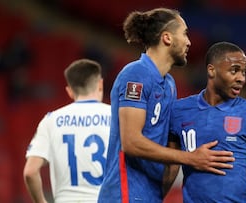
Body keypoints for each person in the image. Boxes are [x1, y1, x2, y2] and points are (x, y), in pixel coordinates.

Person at [98, 8, 234, 203]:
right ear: (167, 38)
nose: (189, 42)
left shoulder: (169, 84)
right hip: (124, 194)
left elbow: (169, 139)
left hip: (151, 194)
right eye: (185, 33)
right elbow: (131, 142)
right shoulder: (136, 74)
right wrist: (191, 158)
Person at [169, 41, 246, 203]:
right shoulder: (179, 111)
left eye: (244, 72)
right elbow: (171, 166)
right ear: (212, 70)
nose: (241, 79)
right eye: (234, 71)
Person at [23, 59, 111, 202]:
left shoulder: (51, 120)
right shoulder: (116, 116)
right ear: (100, 84)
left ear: (69, 91)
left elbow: (30, 172)